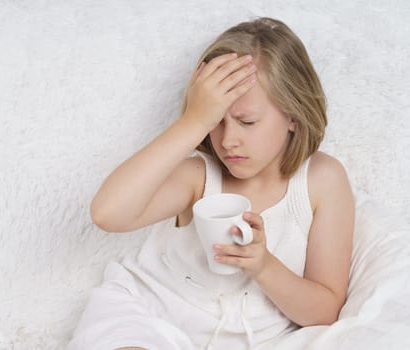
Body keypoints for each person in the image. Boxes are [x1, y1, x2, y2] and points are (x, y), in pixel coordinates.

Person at [68, 17, 355, 350]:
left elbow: (326, 311)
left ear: (293, 114)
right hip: (151, 319)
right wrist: (194, 121)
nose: (229, 140)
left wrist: (264, 266)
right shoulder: (200, 175)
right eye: (217, 122)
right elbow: (107, 213)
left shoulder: (322, 181)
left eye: (247, 121)